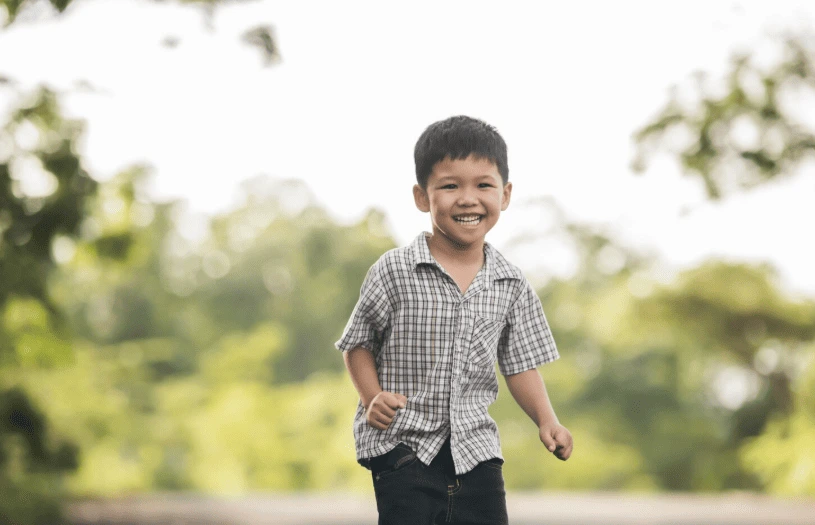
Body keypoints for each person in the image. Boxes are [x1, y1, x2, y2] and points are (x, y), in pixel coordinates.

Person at [336, 115, 573, 525]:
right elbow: (358, 344)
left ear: (506, 194)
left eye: (483, 185)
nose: (467, 199)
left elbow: (519, 365)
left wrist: (547, 419)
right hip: (403, 447)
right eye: (450, 186)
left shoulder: (511, 283)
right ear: (422, 197)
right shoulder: (394, 270)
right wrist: (371, 396)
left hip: (476, 450)